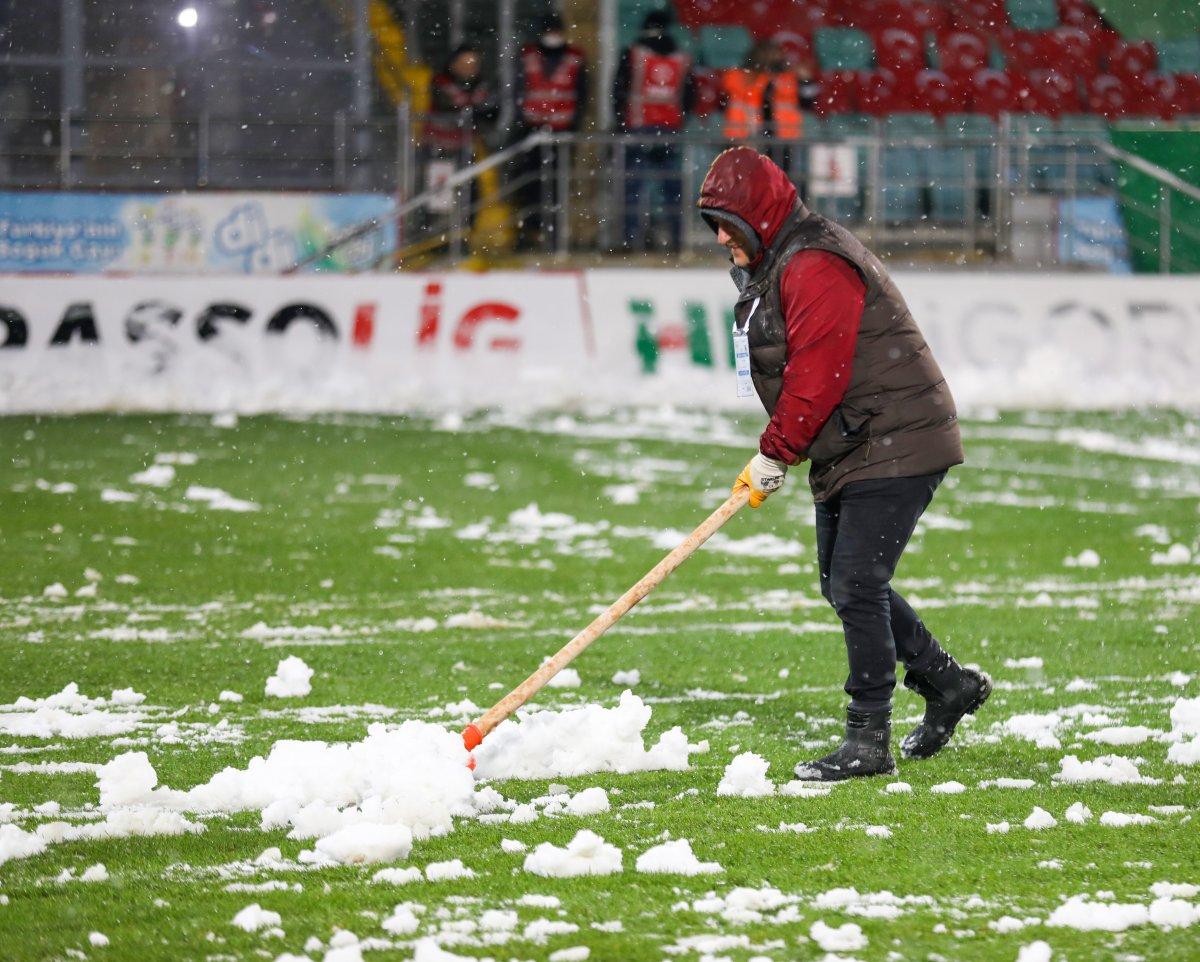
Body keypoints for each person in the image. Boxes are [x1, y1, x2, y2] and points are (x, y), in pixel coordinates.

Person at [698, 146, 991, 782]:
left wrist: (775, 453)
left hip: (894, 438)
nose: (720, 237)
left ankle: (868, 738)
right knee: (843, 580)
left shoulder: (812, 263)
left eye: (728, 222)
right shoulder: (783, 259)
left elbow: (818, 374)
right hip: (857, 441)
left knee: (856, 582)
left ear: (759, 216)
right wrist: (784, 446)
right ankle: (947, 685)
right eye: (713, 224)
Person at [612, 10, 693, 250]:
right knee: (672, 189)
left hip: (638, 126)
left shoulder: (633, 53)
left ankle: (630, 240)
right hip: (670, 128)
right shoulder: (681, 57)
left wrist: (619, 121)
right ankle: (677, 241)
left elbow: (618, 89)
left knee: (634, 188)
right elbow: (690, 95)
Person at [512, 13, 588, 250]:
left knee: (557, 186)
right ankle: (530, 233)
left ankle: (554, 236)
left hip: (561, 133)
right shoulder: (528, 56)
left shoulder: (575, 58)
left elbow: (582, 94)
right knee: (530, 187)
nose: (552, 36)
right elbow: (517, 89)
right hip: (532, 131)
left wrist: (573, 125)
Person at [425, 43, 500, 159]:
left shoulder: (482, 85)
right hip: (437, 145)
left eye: (473, 65)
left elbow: (489, 110)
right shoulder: (441, 82)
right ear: (453, 64)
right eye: (464, 64)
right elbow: (446, 105)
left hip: (466, 147)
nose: (469, 69)